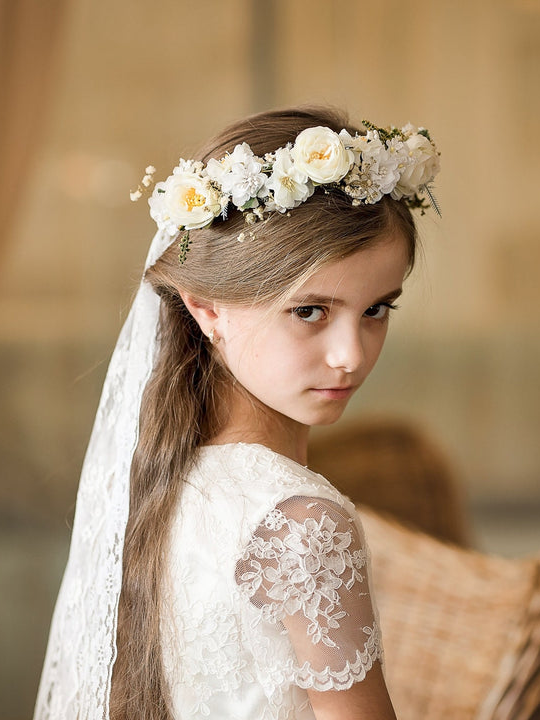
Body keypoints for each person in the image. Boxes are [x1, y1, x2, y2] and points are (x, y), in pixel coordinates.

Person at [33, 106, 441, 720]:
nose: (351, 355)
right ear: (207, 310)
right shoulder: (301, 521)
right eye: (310, 311)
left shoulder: (162, 482)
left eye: (377, 309)